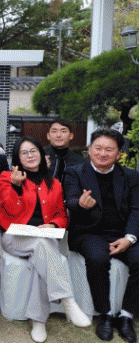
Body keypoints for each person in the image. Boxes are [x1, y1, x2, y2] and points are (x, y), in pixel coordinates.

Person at [0, 137, 90, 342]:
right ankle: (67, 300)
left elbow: (61, 215)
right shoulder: (6, 177)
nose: (30, 155)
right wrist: (16, 186)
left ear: (41, 154)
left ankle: (39, 322)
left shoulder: (54, 183)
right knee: (44, 247)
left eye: (33, 151)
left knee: (42, 255)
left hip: (44, 237)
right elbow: (10, 211)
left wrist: (54, 225)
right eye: (24, 152)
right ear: (17, 158)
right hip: (16, 237)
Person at [64, 129, 139, 343]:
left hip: (122, 233)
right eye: (98, 148)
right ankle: (104, 314)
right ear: (89, 150)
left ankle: (126, 316)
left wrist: (129, 238)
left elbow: (137, 209)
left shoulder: (131, 176)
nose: (102, 153)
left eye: (109, 149)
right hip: (89, 232)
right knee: (98, 258)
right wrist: (80, 203)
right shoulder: (75, 173)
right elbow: (70, 199)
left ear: (119, 154)